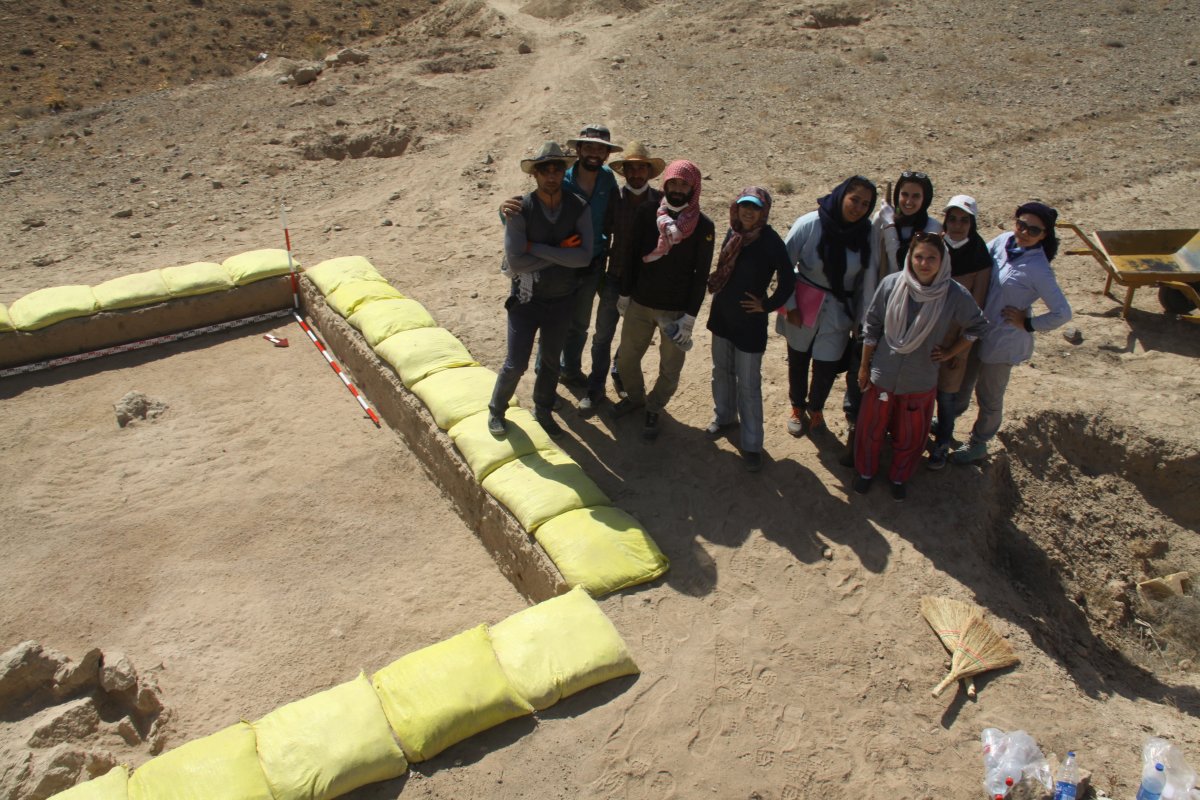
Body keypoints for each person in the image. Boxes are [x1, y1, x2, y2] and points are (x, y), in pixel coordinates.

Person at [853, 231, 988, 500]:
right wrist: (864, 366)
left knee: (910, 434)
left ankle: (899, 476)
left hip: (920, 378)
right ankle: (866, 472)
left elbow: (977, 326)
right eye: (918, 257)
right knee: (871, 428)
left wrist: (951, 352)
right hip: (883, 374)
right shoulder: (892, 284)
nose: (924, 263)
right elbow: (872, 327)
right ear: (910, 258)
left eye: (931, 258)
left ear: (942, 261)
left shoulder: (953, 294)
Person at [500, 124, 621, 390]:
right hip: (556, 265)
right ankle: (546, 379)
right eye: (588, 147)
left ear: (606, 154)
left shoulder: (607, 179)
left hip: (591, 261)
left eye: (599, 149)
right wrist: (503, 210)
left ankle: (569, 369)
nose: (593, 153)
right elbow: (524, 208)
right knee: (552, 324)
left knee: (579, 324)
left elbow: (612, 218)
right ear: (578, 150)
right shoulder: (560, 176)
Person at [950, 202, 1072, 464]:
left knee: (989, 395)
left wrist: (1028, 324)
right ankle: (947, 422)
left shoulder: (1039, 269)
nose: (1024, 232)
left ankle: (979, 443)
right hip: (978, 329)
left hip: (1004, 340)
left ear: (1044, 235)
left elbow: (1062, 313)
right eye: (1021, 224)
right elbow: (979, 257)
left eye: (1033, 230)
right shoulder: (1004, 241)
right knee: (961, 380)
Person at [487, 142, 594, 439]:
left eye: (557, 169)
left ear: (564, 172)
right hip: (526, 299)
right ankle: (497, 409)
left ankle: (543, 409)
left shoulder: (578, 206)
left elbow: (584, 256)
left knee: (550, 361)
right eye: (544, 170)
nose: (551, 175)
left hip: (562, 299)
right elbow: (516, 262)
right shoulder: (520, 207)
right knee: (516, 362)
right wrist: (560, 250)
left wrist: (535, 248)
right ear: (535, 175)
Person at [840, 171, 942, 463]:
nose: (908, 201)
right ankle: (855, 433)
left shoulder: (932, 229)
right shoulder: (881, 221)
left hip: (913, 318)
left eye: (916, 196)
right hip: (880, 309)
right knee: (860, 372)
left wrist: (891, 232)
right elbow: (873, 267)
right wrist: (868, 312)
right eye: (904, 194)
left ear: (925, 200)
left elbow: (911, 270)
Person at [612, 159, 715, 441]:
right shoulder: (647, 213)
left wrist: (690, 317)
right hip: (640, 304)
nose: (678, 189)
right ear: (665, 184)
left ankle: (654, 407)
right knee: (626, 360)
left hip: (676, 312)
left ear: (693, 188)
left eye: (684, 184)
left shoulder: (703, 226)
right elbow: (632, 255)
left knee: (670, 369)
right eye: (673, 183)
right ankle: (636, 398)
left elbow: (700, 275)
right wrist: (624, 293)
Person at [776, 175, 878, 439]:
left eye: (865, 204)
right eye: (854, 199)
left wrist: (861, 322)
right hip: (803, 303)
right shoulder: (810, 224)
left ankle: (816, 408)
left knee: (826, 366)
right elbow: (784, 264)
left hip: (838, 311)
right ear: (842, 195)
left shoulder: (867, 235)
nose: (858, 207)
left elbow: (866, 282)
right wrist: (790, 305)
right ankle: (797, 407)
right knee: (798, 359)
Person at [704, 187, 795, 471]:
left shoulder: (770, 241)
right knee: (721, 371)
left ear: (764, 211)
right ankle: (725, 416)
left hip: (749, 324)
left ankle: (752, 444)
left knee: (749, 384)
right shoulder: (734, 233)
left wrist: (767, 305)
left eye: (755, 208)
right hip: (722, 316)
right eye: (744, 205)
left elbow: (788, 280)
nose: (748, 211)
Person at [579, 141, 665, 416]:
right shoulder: (614, 200)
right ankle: (595, 388)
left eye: (642, 168)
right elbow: (603, 234)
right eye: (632, 168)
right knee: (602, 335)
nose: (637, 174)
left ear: (649, 172)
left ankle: (621, 376)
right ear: (624, 171)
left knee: (632, 340)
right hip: (614, 278)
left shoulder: (662, 201)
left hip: (645, 285)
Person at [927, 195, 991, 469]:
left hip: (954, 342)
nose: (957, 225)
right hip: (925, 337)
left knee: (947, 395)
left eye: (964, 220)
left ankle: (941, 444)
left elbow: (975, 311)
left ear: (972, 223)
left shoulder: (979, 257)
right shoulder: (934, 247)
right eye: (952, 219)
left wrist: (956, 350)